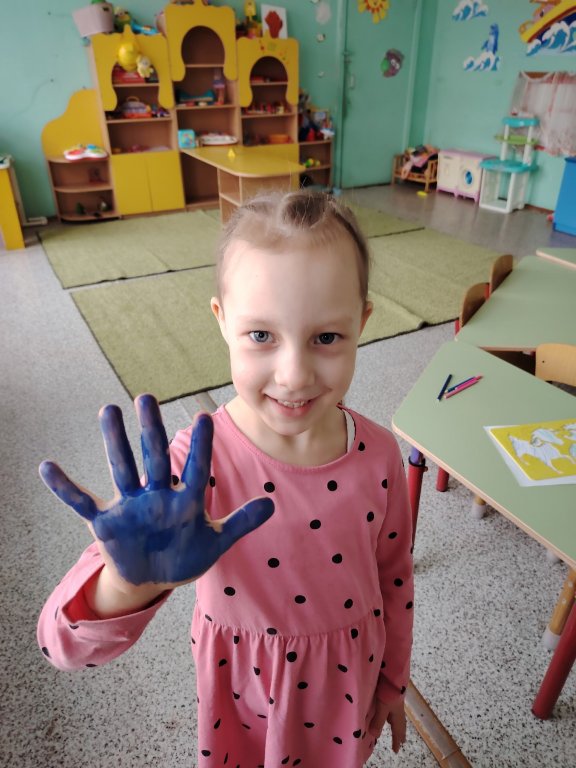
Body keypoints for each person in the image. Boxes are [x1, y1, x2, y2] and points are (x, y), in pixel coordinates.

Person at [38, 190, 414, 767]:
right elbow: (61, 647)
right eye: (261, 335)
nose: (294, 375)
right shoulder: (192, 467)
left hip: (345, 685)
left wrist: (392, 685)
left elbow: (395, 579)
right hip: (241, 695)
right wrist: (127, 584)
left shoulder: (380, 455)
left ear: (361, 322)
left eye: (327, 337)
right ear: (221, 320)